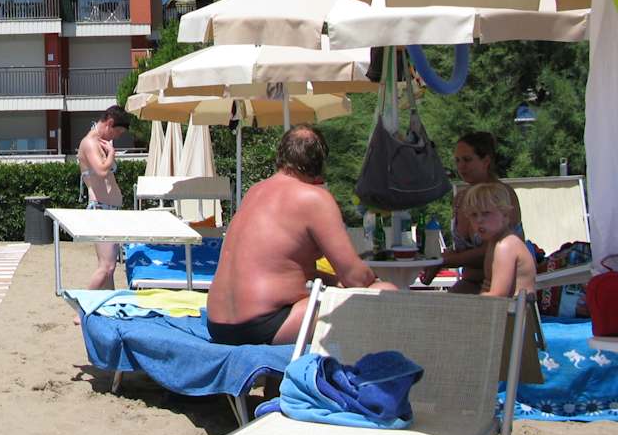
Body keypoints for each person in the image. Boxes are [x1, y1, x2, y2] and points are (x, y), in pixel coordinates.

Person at [207, 127, 397, 345]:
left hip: (218, 326)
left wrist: (333, 279)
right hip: (265, 325)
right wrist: (373, 279)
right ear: (319, 165)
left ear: (280, 156)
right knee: (385, 292)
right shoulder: (314, 198)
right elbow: (356, 278)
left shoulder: (254, 191)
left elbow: (279, 267)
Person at [421, 131, 524, 292]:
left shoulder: (501, 196)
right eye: (457, 160)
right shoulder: (461, 198)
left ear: (486, 161)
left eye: (467, 160)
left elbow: (494, 250)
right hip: (469, 283)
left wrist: (447, 261)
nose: (461, 166)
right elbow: (462, 250)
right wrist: (438, 260)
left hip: (502, 289)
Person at [77, 105, 131, 292]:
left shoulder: (100, 143)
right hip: (100, 208)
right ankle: (82, 305)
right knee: (106, 267)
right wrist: (112, 154)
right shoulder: (90, 143)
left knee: (109, 268)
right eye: (117, 132)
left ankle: (109, 302)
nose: (117, 137)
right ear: (109, 123)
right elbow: (101, 171)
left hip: (108, 208)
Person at [459, 182, 536, 298]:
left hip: (515, 309)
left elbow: (498, 296)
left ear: (505, 214)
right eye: (474, 215)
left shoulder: (506, 245)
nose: (479, 220)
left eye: (486, 213)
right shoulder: (494, 243)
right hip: (506, 307)